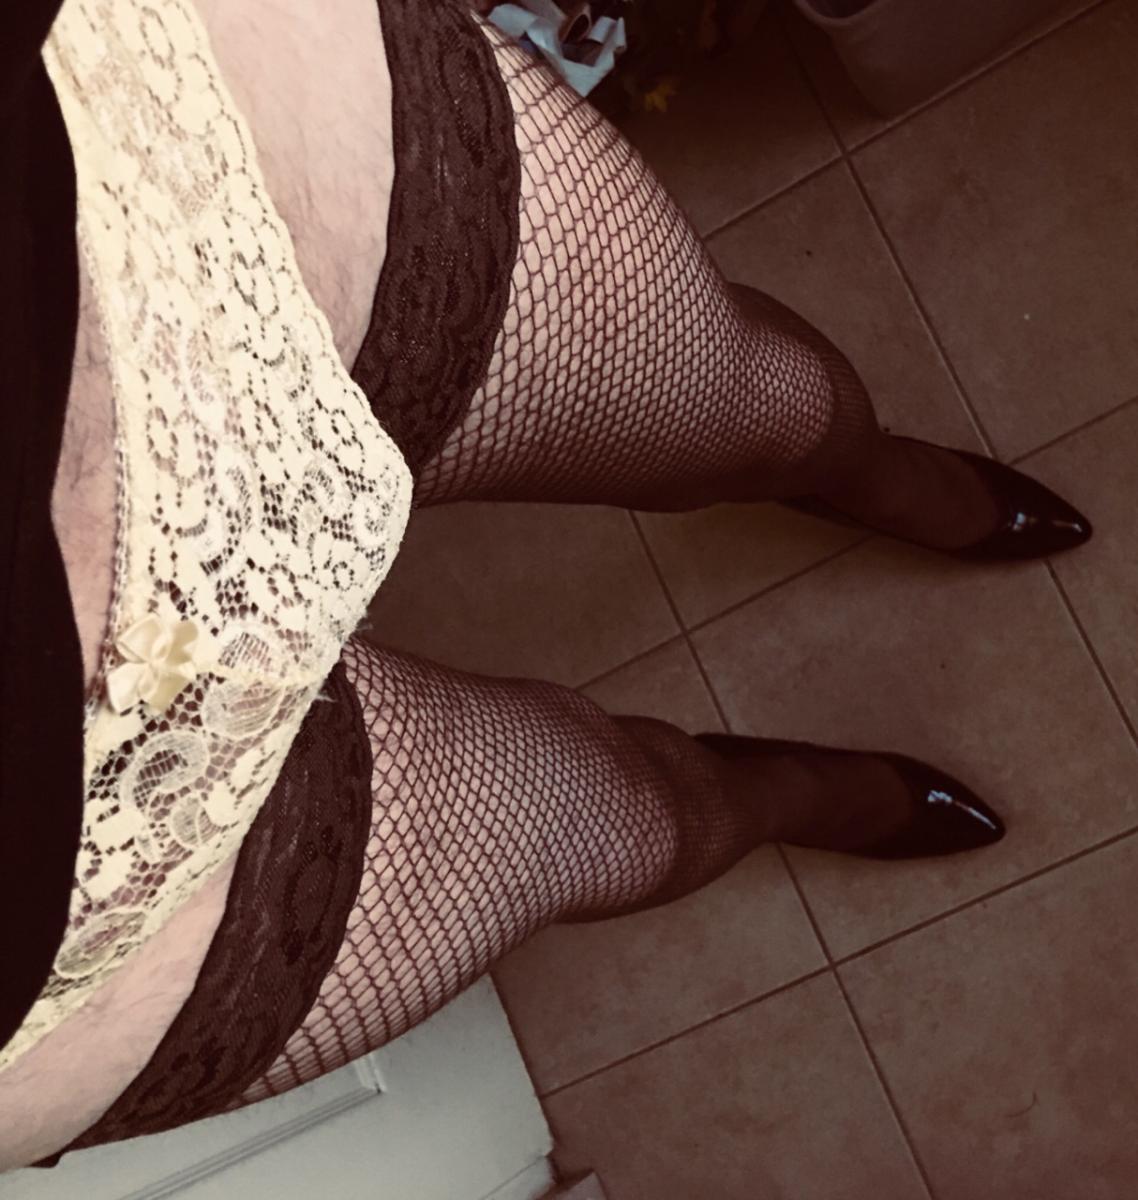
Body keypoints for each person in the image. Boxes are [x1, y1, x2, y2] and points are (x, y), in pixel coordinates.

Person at [0, 0, 1091, 1172]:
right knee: (634, 826)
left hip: (103, 205)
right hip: (52, 887)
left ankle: (854, 472)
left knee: (741, 395)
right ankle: (781, 792)